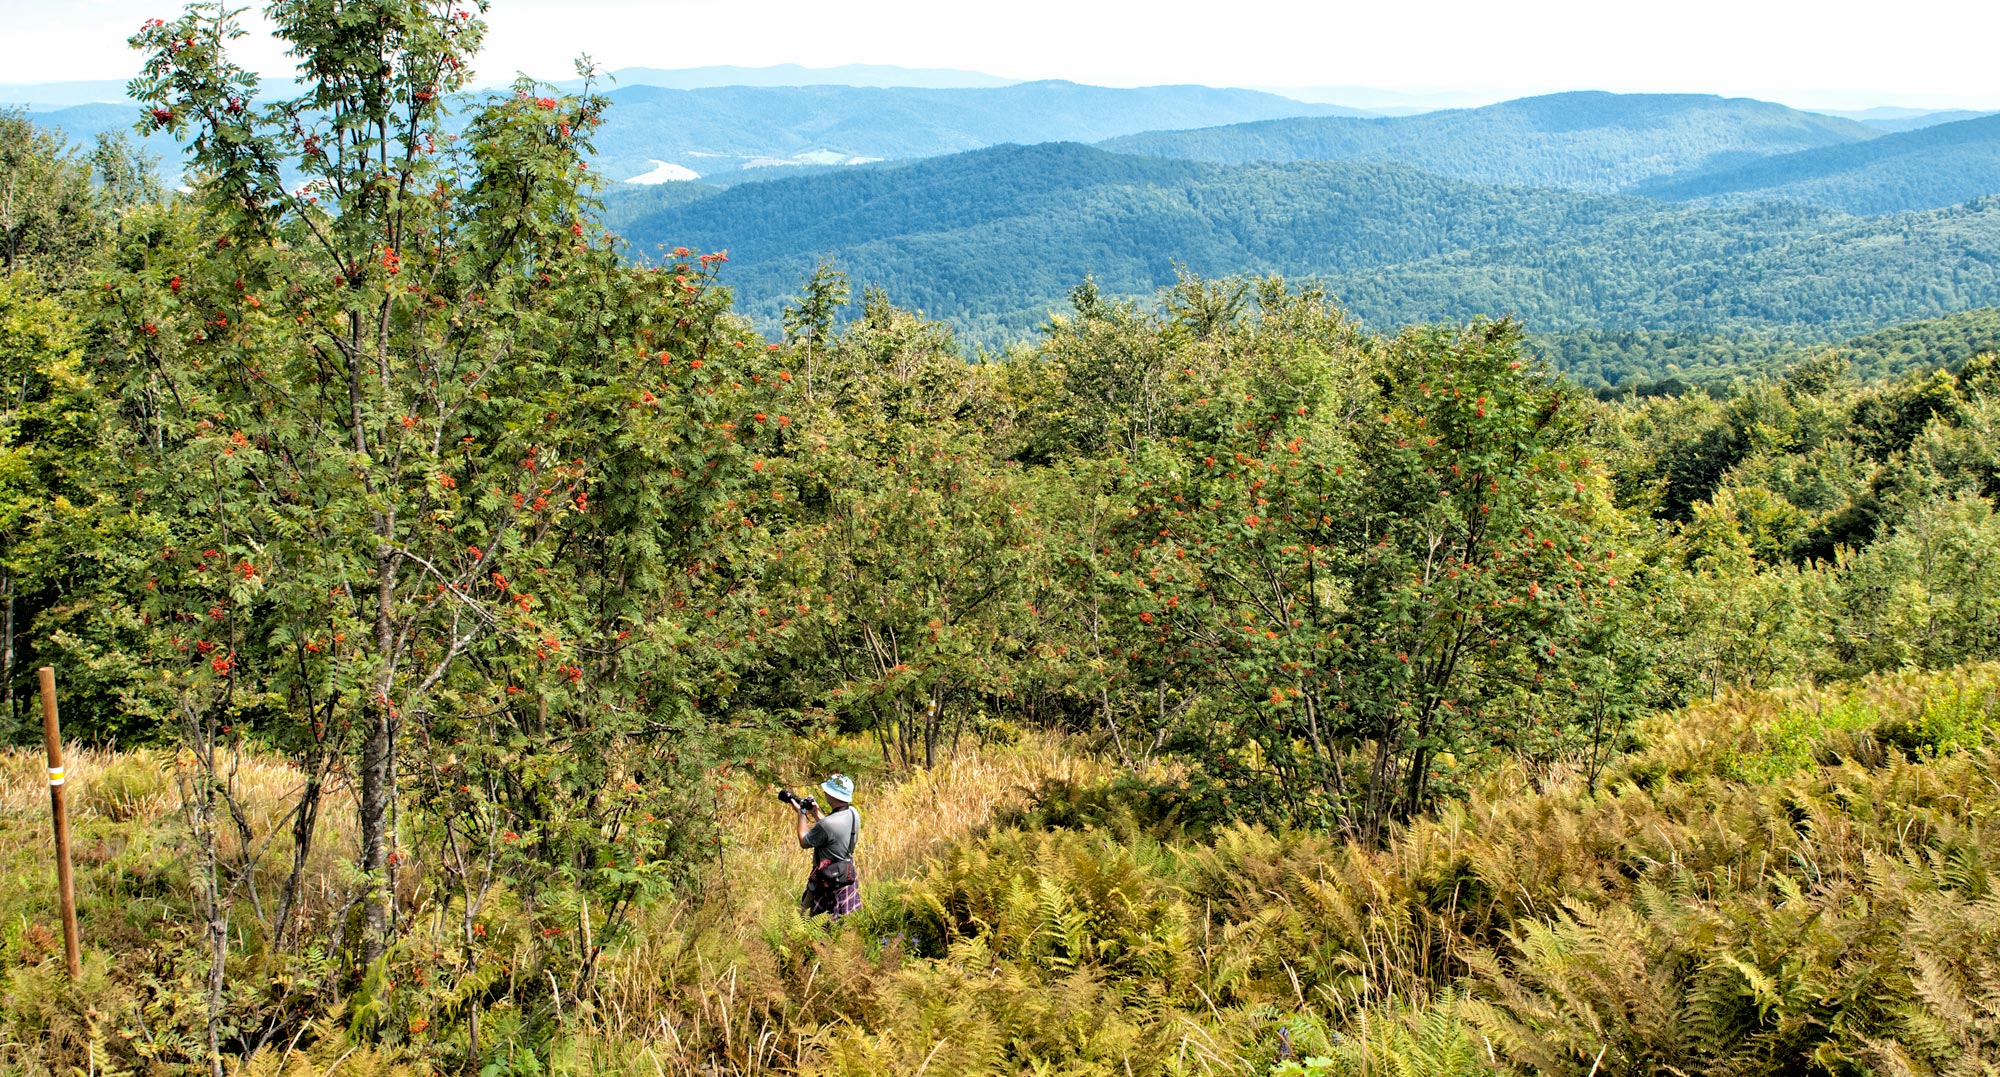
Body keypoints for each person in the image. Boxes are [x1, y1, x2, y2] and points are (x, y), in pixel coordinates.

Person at [796, 773, 861, 918]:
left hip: (827, 879)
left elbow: (803, 841)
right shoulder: (853, 813)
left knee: (810, 921)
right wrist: (816, 814)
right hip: (846, 874)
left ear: (832, 795)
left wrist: (801, 812)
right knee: (843, 924)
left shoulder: (827, 825)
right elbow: (833, 831)